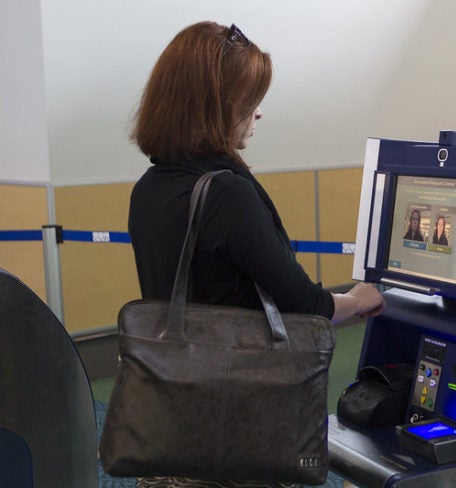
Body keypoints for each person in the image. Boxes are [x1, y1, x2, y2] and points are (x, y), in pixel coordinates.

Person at [127, 21, 386, 488]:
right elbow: (303, 308)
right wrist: (359, 299)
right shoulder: (224, 193)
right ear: (216, 106)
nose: (258, 114)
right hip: (233, 435)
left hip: (171, 427)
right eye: (250, 101)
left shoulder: (150, 187)